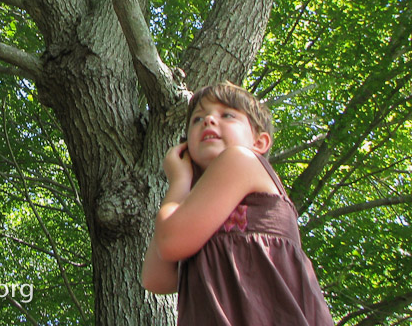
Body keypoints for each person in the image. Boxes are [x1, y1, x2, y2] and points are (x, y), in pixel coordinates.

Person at [141, 82, 334, 325]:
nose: (209, 120)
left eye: (227, 115)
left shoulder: (240, 160)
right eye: (197, 119)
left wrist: (178, 180)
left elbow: (169, 243)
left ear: (259, 142)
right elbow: (155, 279)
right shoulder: (196, 210)